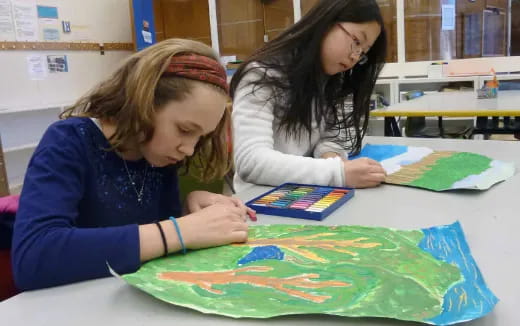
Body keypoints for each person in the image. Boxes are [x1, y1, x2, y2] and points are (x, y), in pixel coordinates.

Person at [12, 39, 253, 291]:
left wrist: (187, 210)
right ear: (143, 103)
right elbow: (33, 259)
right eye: (184, 130)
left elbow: (153, 240)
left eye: (200, 137)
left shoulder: (156, 154)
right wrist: (179, 230)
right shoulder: (68, 141)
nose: (189, 149)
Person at [231, 0, 388, 192]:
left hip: (309, 191)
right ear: (326, 22)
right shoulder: (262, 74)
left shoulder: (335, 81)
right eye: (356, 41)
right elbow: (251, 161)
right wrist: (337, 173)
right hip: (260, 198)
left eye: (363, 51)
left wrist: (330, 155)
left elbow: (334, 139)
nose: (355, 56)